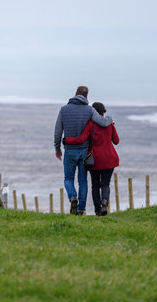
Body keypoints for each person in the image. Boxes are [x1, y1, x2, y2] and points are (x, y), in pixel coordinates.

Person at [54, 86, 113, 215]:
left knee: (68, 178)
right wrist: (110, 119)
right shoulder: (90, 110)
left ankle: (72, 197)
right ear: (86, 97)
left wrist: (57, 148)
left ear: (75, 94)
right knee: (83, 181)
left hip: (69, 151)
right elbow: (103, 123)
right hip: (84, 152)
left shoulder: (63, 110)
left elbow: (58, 131)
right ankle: (81, 209)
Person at [64, 102, 119, 216]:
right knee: (105, 184)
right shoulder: (110, 124)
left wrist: (67, 140)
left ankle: (98, 211)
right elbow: (116, 141)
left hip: (95, 161)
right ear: (103, 112)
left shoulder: (90, 125)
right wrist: (112, 127)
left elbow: (80, 139)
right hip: (109, 159)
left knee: (95, 185)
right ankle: (105, 201)